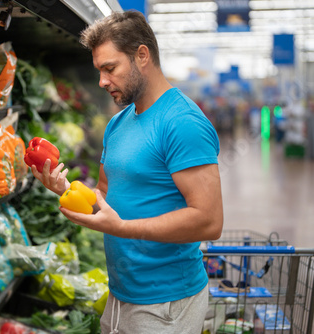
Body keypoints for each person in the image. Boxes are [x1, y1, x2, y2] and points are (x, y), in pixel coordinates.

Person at [29, 10, 223, 334]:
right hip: (119, 295)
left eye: (110, 68)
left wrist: (123, 228)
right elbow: (105, 199)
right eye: (99, 71)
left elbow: (209, 220)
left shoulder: (182, 122)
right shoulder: (117, 124)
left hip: (166, 304)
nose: (102, 81)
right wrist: (65, 189)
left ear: (142, 56)